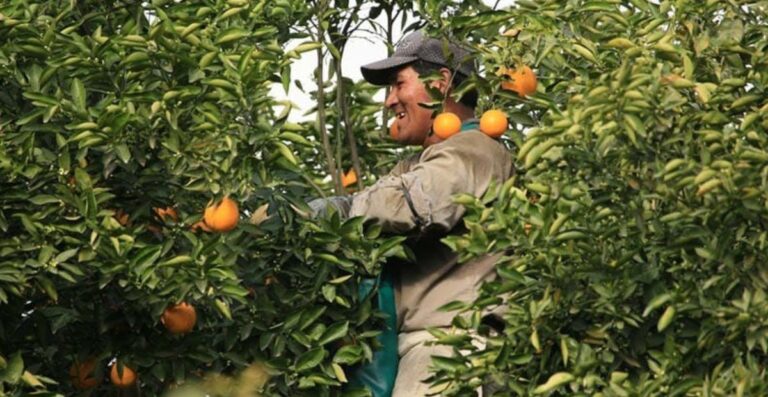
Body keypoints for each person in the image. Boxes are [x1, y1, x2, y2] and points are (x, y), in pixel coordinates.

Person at [312, 30, 513, 397]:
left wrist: (341, 210)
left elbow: (419, 201)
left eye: (398, 84)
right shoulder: (420, 162)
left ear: (440, 83)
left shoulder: (474, 149)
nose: (390, 101)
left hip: (452, 350)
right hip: (431, 351)